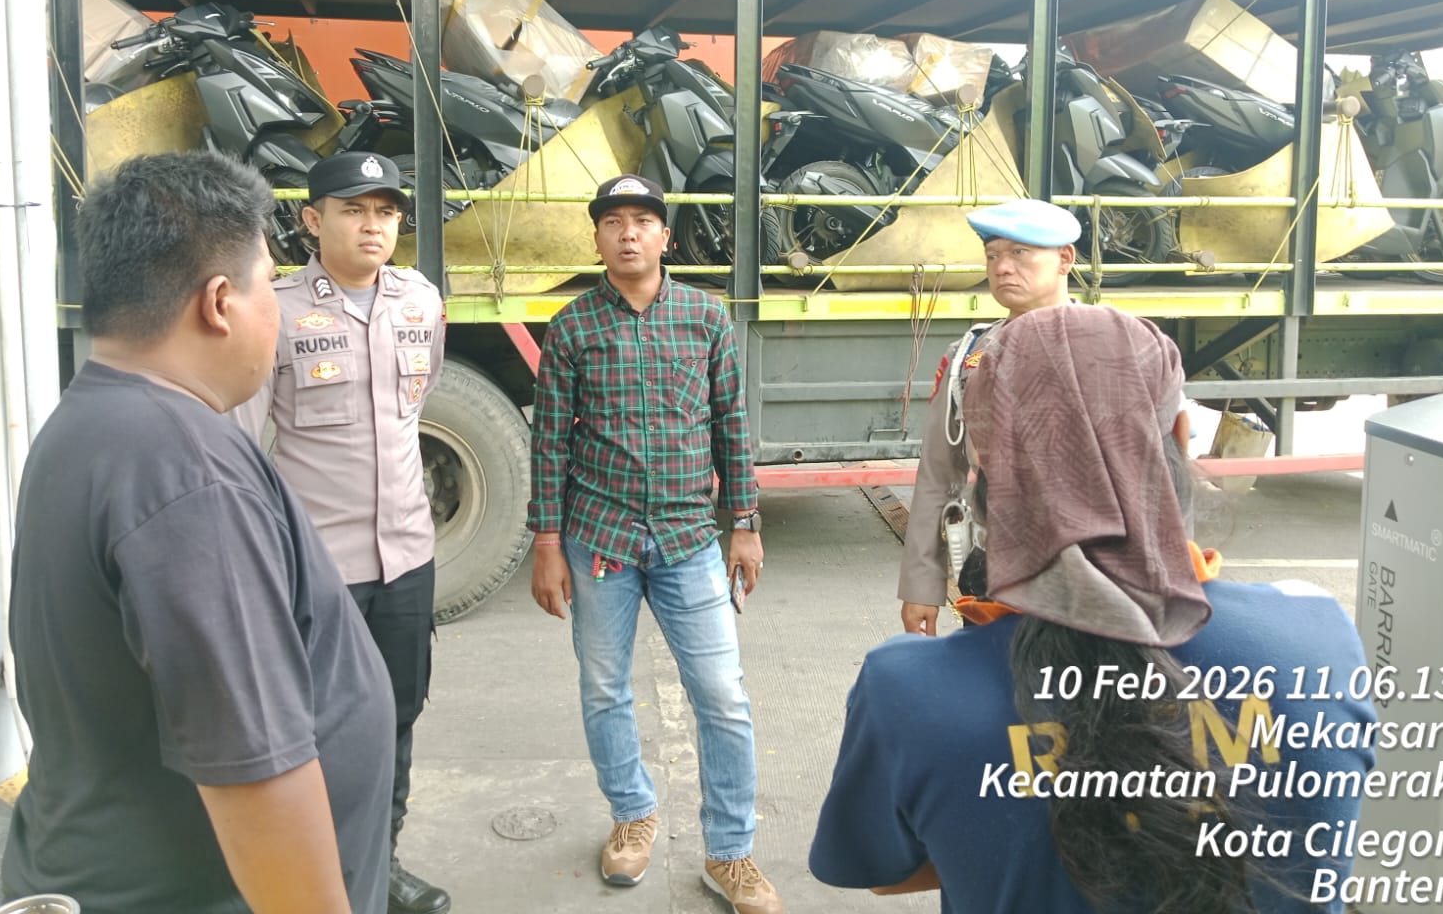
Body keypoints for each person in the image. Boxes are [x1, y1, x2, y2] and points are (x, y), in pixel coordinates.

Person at [812, 304, 1378, 913]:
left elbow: (881, 873)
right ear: (1180, 435)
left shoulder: (908, 690)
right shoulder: (1318, 637)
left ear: (985, 467)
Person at [4, 151, 395, 914]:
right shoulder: (185, 474)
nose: (276, 306)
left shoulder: (95, 418)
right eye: (269, 282)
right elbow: (256, 768)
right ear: (220, 302)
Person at [527, 174, 784, 914]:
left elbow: (731, 423)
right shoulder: (572, 326)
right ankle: (632, 815)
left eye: (642, 221)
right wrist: (547, 542)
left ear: (666, 238)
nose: (628, 234)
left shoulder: (704, 318)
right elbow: (550, 443)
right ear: (598, 239)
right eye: (613, 222)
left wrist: (745, 523)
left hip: (687, 538)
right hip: (599, 539)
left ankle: (730, 854)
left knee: (723, 697)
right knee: (604, 688)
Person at [233, 151, 450, 914]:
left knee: (396, 718)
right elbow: (238, 443)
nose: (372, 225)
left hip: (407, 559)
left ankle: (378, 866)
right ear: (312, 219)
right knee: (314, 730)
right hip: (320, 569)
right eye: (354, 209)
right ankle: (314, 881)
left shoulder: (420, 300)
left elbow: (416, 406)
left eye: (386, 211)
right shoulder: (278, 309)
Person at [898, 196, 1080, 635]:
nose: (1002, 268)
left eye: (1020, 252)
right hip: (995, 572)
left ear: (1065, 259)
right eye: (993, 255)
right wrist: (921, 585)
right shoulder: (969, 355)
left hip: (1092, 571)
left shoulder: (1115, 348)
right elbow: (939, 474)